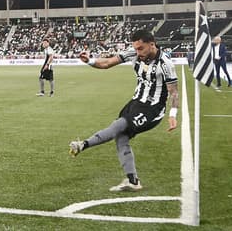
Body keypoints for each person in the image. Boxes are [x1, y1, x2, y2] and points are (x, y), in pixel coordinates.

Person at [69, 30, 178, 192]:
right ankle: (133, 181)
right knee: (121, 137)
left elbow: (174, 92)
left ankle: (83, 145)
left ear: (152, 44)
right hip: (135, 103)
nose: (137, 52)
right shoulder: (133, 54)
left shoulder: (166, 64)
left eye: (141, 48)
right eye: (135, 48)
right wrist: (89, 61)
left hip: (153, 109)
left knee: (118, 126)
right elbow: (107, 63)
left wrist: (173, 114)